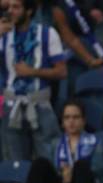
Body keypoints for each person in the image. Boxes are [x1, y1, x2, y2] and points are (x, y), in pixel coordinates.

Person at [0, 0, 67, 161]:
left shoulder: (47, 33)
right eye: (8, 7)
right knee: (14, 162)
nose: (10, 11)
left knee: (49, 158)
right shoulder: (3, 35)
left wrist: (33, 71)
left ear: (28, 10)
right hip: (11, 105)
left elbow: (62, 71)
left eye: (16, 7)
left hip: (40, 103)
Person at [10, 99, 102, 183]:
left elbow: (98, 170)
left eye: (76, 117)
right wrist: (63, 174)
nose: (71, 121)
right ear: (62, 122)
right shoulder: (56, 144)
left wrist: (72, 172)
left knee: (81, 165)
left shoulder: (94, 141)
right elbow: (52, 168)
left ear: (83, 121)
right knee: (40, 163)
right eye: (67, 117)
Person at [33, 0, 103, 69]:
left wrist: (90, 61)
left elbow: (70, 39)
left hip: (52, 62)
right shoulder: (23, 9)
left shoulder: (54, 11)